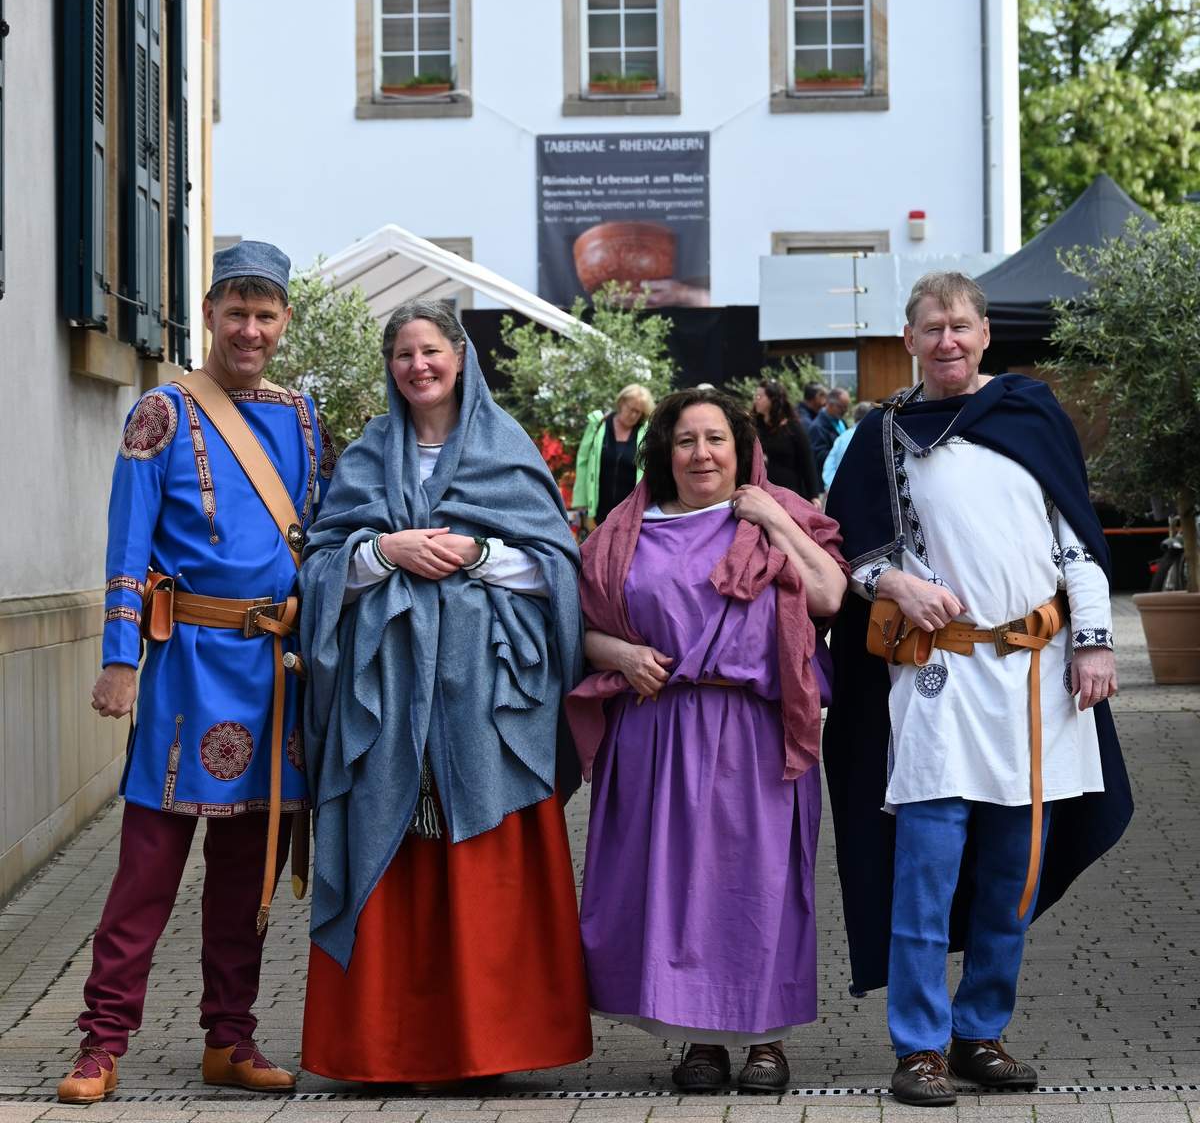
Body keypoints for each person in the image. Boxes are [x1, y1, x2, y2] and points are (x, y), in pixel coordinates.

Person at [823, 271, 1133, 1108]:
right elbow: (842, 552)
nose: (947, 340)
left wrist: (1095, 643)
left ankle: (980, 1032)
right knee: (925, 870)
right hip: (936, 680)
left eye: (960, 325)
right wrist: (893, 584)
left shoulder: (1031, 416)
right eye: (931, 328)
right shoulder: (881, 436)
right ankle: (919, 1047)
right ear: (910, 339)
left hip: (1037, 681)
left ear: (985, 332)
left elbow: (1078, 544)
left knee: (1012, 876)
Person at [58, 241, 335, 1104]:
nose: (249, 329)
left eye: (266, 314)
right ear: (209, 312)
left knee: (247, 870)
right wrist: (118, 658)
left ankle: (231, 1037)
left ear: (284, 322)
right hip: (184, 673)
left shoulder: (304, 417)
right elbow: (125, 545)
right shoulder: (160, 413)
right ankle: (101, 1044)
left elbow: (322, 542)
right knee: (147, 867)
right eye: (235, 311)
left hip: (275, 673)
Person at [299, 299, 592, 1086]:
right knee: (396, 871)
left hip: (488, 706)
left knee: (486, 876)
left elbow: (558, 569)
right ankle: (388, 1047)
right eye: (403, 355)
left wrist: (478, 552)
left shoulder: (507, 449)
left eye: (431, 351)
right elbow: (322, 569)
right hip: (387, 703)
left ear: (460, 358)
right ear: (390, 368)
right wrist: (382, 549)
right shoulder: (362, 458)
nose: (418, 366)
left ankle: (490, 1046)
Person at [568, 388, 847, 1092]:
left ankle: (766, 1041)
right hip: (656, 730)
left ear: (740, 448)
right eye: (686, 440)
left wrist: (775, 520)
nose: (701, 453)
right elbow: (573, 633)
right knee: (674, 889)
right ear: (663, 452)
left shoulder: (772, 516)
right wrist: (622, 656)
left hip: (753, 730)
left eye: (715, 439)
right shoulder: (624, 533)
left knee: (757, 885)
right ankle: (698, 1041)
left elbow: (829, 597)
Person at [574, 385, 655, 527]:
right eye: (632, 410)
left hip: (630, 513)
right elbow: (583, 461)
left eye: (639, 413)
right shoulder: (598, 425)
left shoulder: (645, 433)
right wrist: (581, 502)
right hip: (597, 511)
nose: (634, 415)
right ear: (622, 402)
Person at [751, 380, 821, 501]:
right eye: (755, 396)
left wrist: (814, 495)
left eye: (760, 396)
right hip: (761, 493)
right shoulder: (754, 425)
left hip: (789, 493)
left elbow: (807, 462)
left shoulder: (793, 427)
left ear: (772, 399)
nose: (756, 400)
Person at [822, 400, 874, 490]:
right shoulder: (871, 437)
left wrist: (833, 488)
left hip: (838, 490)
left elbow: (828, 466)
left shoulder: (842, 437)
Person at [807, 387, 850, 469]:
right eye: (841, 407)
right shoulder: (817, 427)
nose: (844, 411)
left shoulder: (841, 422)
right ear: (830, 404)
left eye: (846, 407)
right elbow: (818, 456)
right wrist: (841, 454)